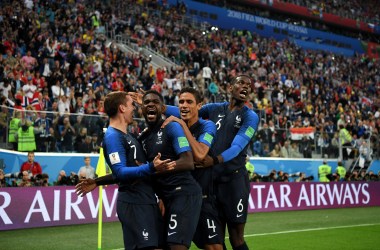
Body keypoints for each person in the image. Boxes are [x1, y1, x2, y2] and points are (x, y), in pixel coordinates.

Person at [164, 75, 259, 250]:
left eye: (249, 85)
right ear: (230, 88)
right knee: (216, 239)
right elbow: (189, 111)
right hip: (211, 183)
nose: (245, 87)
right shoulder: (215, 109)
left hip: (234, 182)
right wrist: (161, 107)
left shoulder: (250, 117)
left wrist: (214, 160)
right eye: (241, 83)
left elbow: (237, 147)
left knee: (236, 238)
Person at [77, 91, 175, 250]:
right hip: (134, 204)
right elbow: (121, 173)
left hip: (146, 201)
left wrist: (97, 181)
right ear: (122, 108)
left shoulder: (127, 135)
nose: (135, 109)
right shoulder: (113, 137)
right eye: (131, 105)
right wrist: (151, 167)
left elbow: (122, 171)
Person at [139, 90, 202, 250]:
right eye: (146, 102)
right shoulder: (143, 137)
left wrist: (159, 169)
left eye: (155, 102)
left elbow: (188, 162)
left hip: (183, 193)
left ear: (162, 108)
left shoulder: (172, 127)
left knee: (176, 246)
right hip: (164, 198)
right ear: (141, 108)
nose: (151, 105)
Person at [161, 87, 222, 249]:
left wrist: (183, 125)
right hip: (179, 197)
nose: (184, 105)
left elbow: (201, 154)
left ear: (199, 105)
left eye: (189, 102)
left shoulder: (207, 126)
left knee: (214, 247)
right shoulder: (172, 128)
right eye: (181, 102)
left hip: (204, 197)